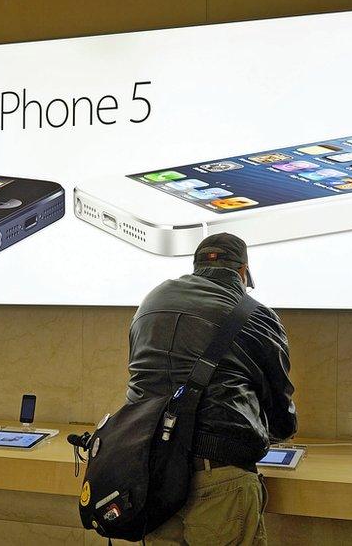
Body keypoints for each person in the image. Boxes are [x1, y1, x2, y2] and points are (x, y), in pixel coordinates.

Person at [126, 232, 297, 546]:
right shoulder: (256, 314)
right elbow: (278, 399)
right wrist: (283, 432)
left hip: (152, 469)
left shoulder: (152, 300)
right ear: (243, 272)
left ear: (196, 266)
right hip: (220, 472)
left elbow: (141, 375)